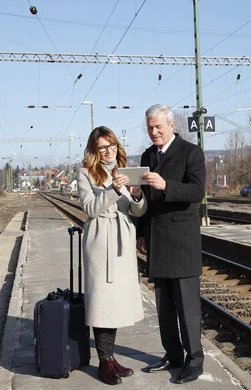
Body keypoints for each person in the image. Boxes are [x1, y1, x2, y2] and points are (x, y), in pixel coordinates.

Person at [136, 104, 206, 384]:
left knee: (187, 307)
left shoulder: (191, 153)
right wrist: (141, 233)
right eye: (150, 128)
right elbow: (145, 199)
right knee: (164, 307)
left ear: (171, 125)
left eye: (158, 127)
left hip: (182, 242)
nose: (154, 132)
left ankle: (195, 360)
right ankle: (173, 354)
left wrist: (166, 186)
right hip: (156, 239)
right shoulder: (146, 155)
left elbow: (198, 191)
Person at [77, 126, 147, 385]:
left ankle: (110, 356)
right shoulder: (85, 173)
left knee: (114, 302)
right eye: (103, 147)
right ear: (95, 150)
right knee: (102, 301)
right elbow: (90, 208)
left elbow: (136, 212)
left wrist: (137, 195)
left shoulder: (124, 172)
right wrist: (114, 190)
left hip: (122, 241)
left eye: (112, 145)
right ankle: (103, 361)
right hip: (101, 241)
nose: (109, 151)